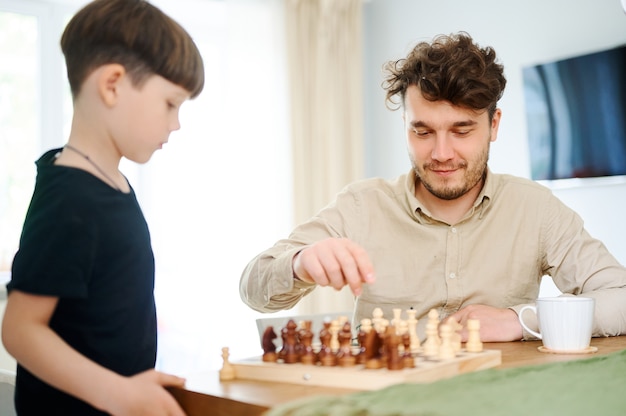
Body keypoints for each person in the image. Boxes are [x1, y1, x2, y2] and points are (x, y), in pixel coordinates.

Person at [239, 32, 626, 342]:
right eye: (422, 131)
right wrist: (300, 263)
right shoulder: (362, 205)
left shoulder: (537, 208)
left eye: (461, 130)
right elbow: (252, 288)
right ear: (405, 125)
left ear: (494, 125)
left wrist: (520, 321)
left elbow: (620, 299)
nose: (441, 153)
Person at [1, 0, 204, 414]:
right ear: (112, 85)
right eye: (171, 103)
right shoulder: (71, 196)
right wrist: (119, 393)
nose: (176, 123)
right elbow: (21, 330)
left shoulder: (112, 184)